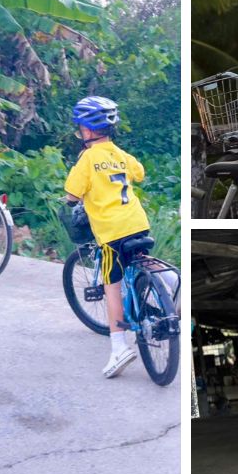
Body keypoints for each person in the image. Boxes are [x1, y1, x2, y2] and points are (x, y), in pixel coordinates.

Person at [63, 95, 152, 379]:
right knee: (141, 267)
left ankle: (118, 348)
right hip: (138, 223)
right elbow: (140, 173)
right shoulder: (120, 154)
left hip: (111, 233)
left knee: (112, 285)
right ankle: (166, 299)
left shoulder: (87, 158)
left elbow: (71, 194)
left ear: (87, 131)